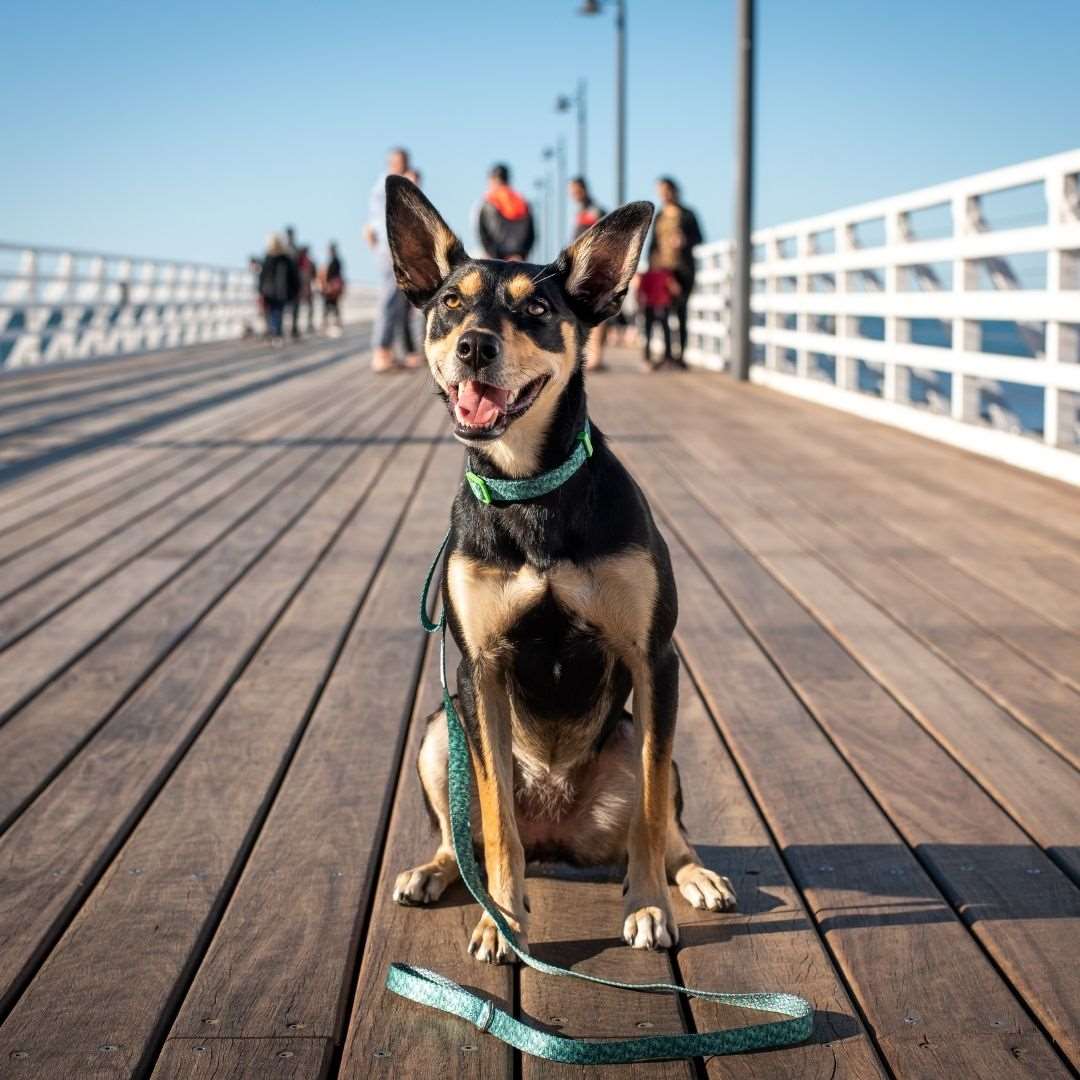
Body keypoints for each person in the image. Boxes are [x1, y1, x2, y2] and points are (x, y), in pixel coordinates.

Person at [366, 147, 421, 372]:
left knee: (400, 303)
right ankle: (381, 351)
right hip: (391, 248)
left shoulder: (388, 183)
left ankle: (387, 351)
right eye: (398, 161)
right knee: (389, 300)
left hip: (399, 247)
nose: (402, 164)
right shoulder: (391, 183)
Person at [648, 177, 703, 364]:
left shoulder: (688, 214)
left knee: (681, 311)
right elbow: (653, 246)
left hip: (683, 270)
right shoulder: (660, 216)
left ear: (674, 191)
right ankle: (667, 353)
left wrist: (685, 240)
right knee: (662, 313)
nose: (663, 194)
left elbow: (699, 238)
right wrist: (651, 270)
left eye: (666, 190)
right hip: (663, 271)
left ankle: (681, 356)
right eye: (660, 191)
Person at [568, 177, 611, 371]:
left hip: (596, 269)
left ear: (583, 189)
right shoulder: (580, 211)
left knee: (597, 312)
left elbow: (604, 236)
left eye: (575, 190)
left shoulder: (595, 210)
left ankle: (597, 356)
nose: (573, 194)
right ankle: (591, 355)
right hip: (581, 268)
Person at [477, 164, 535, 261]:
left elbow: (483, 233)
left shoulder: (489, 202)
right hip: (518, 259)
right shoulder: (522, 202)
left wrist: (494, 256)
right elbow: (531, 234)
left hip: (496, 260)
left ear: (494, 179)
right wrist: (521, 255)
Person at [636, 251, 680, 370]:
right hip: (659, 306)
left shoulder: (647, 275)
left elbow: (639, 292)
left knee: (650, 333)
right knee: (664, 333)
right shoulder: (665, 274)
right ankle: (666, 359)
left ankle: (649, 360)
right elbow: (675, 289)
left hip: (652, 306)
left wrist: (639, 305)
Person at [259, 233, 300, 347]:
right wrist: (295, 288)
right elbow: (293, 275)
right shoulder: (286, 258)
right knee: (278, 313)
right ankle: (277, 334)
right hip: (282, 291)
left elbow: (262, 276)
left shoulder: (268, 257)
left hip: (269, 291)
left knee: (272, 313)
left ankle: (275, 333)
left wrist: (260, 289)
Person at [319, 241, 345, 337]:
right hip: (333, 287)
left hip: (332, 288)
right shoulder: (335, 260)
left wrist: (327, 285)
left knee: (330, 306)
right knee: (332, 307)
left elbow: (332, 275)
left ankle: (328, 324)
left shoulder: (335, 261)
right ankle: (332, 324)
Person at [294, 244, 316, 337]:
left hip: (304, 287)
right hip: (302, 287)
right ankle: (297, 327)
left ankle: (307, 324)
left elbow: (313, 274)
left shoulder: (308, 262)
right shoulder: (301, 261)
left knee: (306, 307)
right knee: (299, 308)